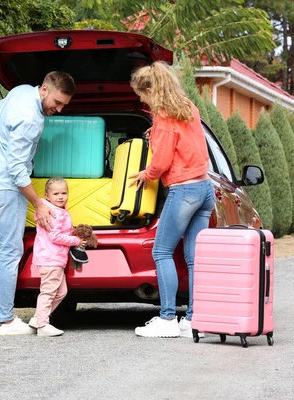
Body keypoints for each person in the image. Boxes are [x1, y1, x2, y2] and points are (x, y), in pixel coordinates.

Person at [0, 72, 76, 336]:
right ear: (45, 89)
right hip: (6, 188)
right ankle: (5, 321)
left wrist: (4, 132)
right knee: (10, 252)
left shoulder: (21, 90)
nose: (58, 109)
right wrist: (39, 202)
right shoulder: (31, 120)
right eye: (57, 102)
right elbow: (16, 169)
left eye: (63, 105)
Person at [128, 62, 215, 338]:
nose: (143, 101)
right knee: (194, 257)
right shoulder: (188, 107)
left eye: (143, 96)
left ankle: (167, 319)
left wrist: (146, 173)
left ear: (151, 89)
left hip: (184, 191)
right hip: (204, 189)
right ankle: (193, 318)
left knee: (161, 251)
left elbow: (162, 162)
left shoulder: (164, 118)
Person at [27, 178, 86, 337]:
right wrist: (76, 241)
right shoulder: (54, 213)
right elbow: (55, 236)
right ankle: (42, 325)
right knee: (48, 291)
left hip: (55, 259)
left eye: (64, 193)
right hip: (50, 259)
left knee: (61, 292)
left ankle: (38, 318)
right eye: (56, 194)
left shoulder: (59, 211)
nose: (61, 197)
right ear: (47, 196)